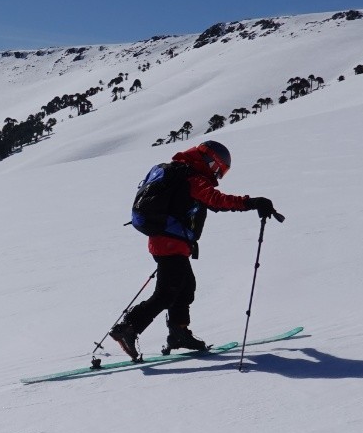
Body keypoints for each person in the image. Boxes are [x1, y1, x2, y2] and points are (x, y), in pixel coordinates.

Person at [109, 140, 278, 360]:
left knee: (185, 287)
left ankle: (179, 333)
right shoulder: (193, 178)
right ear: (209, 162)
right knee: (167, 293)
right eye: (218, 170)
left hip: (167, 241)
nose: (217, 176)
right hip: (170, 242)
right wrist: (253, 202)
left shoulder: (181, 172)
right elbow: (217, 201)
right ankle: (129, 328)